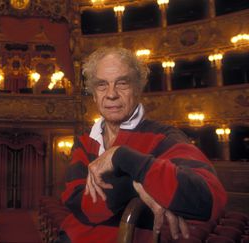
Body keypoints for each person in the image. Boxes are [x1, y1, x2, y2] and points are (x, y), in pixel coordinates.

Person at [58, 47, 227, 243]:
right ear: (94, 94)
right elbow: (78, 204)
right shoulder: (85, 141)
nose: (111, 94)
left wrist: (122, 157)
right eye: (102, 85)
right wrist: (135, 184)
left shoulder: (165, 137)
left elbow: (208, 201)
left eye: (122, 83)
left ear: (138, 89)